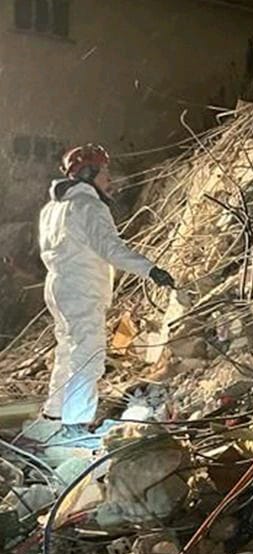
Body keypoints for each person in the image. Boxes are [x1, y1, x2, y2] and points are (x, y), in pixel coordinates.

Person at [38, 144, 175, 444]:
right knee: (88, 356)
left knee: (67, 351)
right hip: (81, 288)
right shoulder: (89, 206)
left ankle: (53, 416)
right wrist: (150, 270)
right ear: (88, 174)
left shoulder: (53, 208)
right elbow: (110, 249)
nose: (109, 180)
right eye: (105, 173)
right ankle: (76, 430)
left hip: (59, 286)